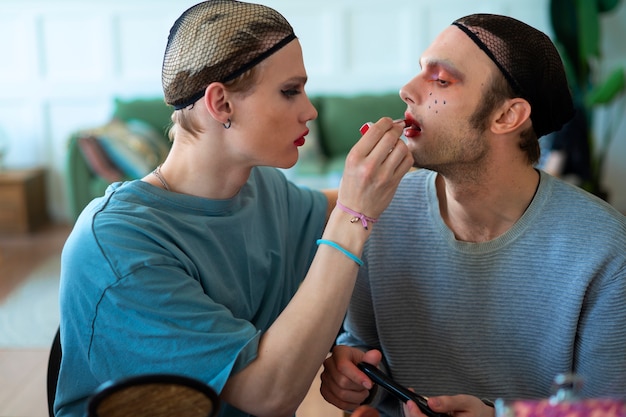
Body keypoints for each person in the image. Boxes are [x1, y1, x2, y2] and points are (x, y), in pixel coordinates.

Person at [55, 1, 413, 417]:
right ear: (221, 104)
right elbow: (268, 393)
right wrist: (355, 215)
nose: (309, 110)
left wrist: (418, 166)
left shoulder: (262, 188)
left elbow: (334, 219)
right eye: (289, 91)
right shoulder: (118, 246)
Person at [319, 13, 626, 417]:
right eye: (418, 73)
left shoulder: (606, 249)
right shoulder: (380, 208)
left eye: (441, 80)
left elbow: (606, 411)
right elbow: (362, 343)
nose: (407, 91)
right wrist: (355, 376)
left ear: (507, 116)